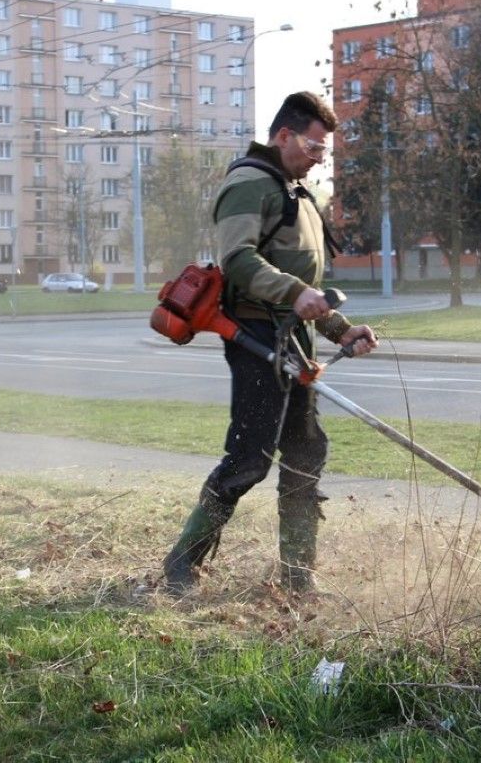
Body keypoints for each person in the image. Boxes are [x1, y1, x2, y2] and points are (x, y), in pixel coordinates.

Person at [162, 91, 378, 596]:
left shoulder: (296, 191)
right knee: (249, 459)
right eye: (313, 146)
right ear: (284, 135)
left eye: (325, 150)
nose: (319, 157)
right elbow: (238, 259)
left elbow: (305, 291)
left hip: (293, 340)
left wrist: (340, 329)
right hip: (255, 337)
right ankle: (181, 564)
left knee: (305, 451)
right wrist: (297, 293)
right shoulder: (249, 184)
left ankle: (297, 578)